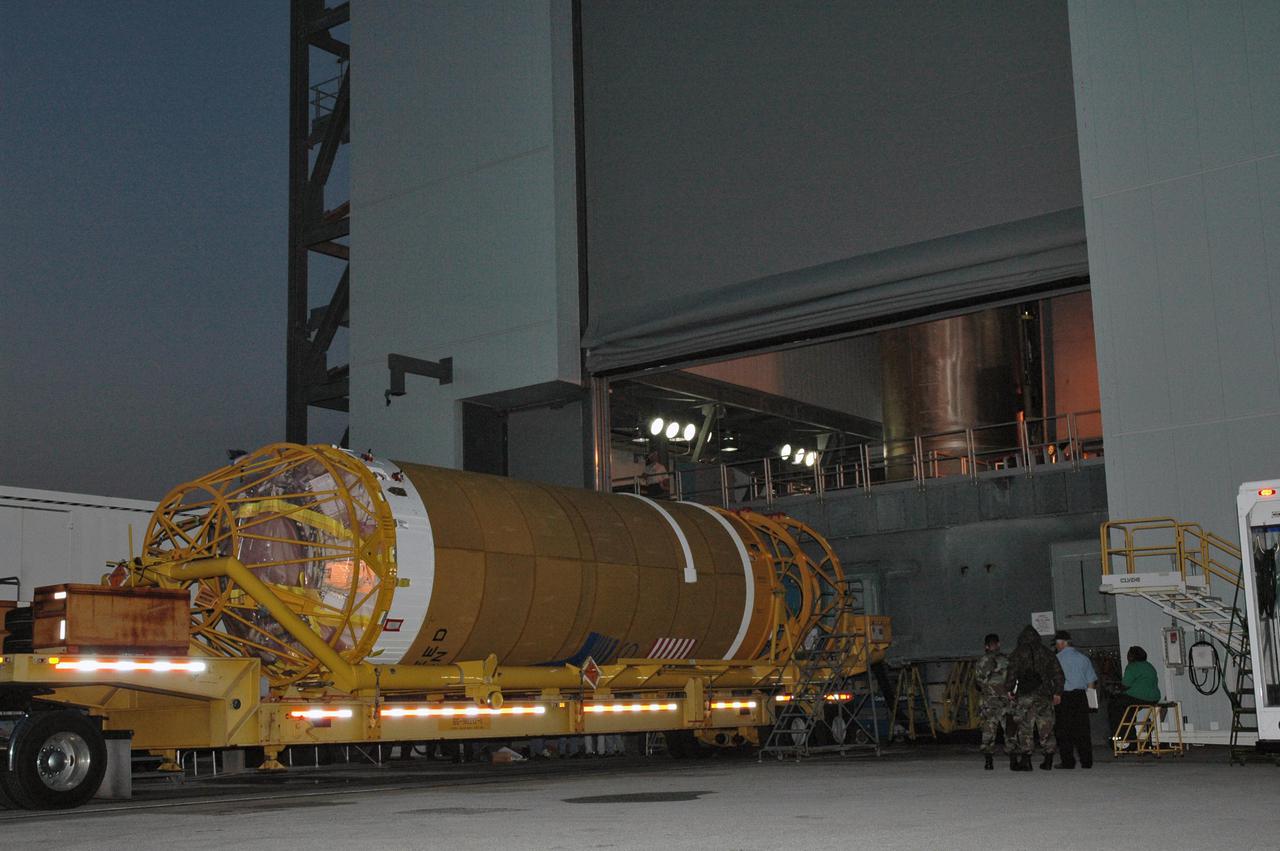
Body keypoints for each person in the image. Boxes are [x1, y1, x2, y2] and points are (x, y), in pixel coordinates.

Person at [1003, 625, 1065, 771]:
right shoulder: (1047, 653)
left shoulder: (1017, 653)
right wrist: (1058, 692)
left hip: (1025, 695)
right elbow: (1058, 674)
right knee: (1046, 726)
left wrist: (1009, 690)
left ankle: (1026, 760)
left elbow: (1011, 674)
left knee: (1025, 727)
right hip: (1044, 695)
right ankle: (1048, 759)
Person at [1053, 630, 1098, 768]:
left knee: (1064, 731)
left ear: (1062, 643)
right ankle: (1086, 761)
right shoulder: (1083, 658)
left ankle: (1068, 761)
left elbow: (1053, 680)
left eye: (1057, 644)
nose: (1056, 647)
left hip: (1063, 697)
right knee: (1082, 730)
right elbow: (1091, 681)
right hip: (1080, 696)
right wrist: (1090, 699)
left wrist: (1055, 695)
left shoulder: (1056, 659)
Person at [974, 632, 1014, 770]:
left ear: (986, 646)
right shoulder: (1006, 660)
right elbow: (1013, 679)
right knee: (1009, 729)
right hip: (1005, 701)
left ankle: (988, 761)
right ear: (998, 644)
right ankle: (1013, 759)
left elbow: (978, 682)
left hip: (989, 701)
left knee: (988, 730)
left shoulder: (981, 662)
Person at [1108, 645, 1161, 747]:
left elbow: (1125, 686)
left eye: (1128, 655)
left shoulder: (1132, 667)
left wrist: (1114, 690)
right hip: (1153, 698)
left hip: (1139, 698)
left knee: (1113, 706)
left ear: (1132, 656)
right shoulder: (1149, 666)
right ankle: (1130, 738)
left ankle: (1118, 737)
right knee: (1129, 710)